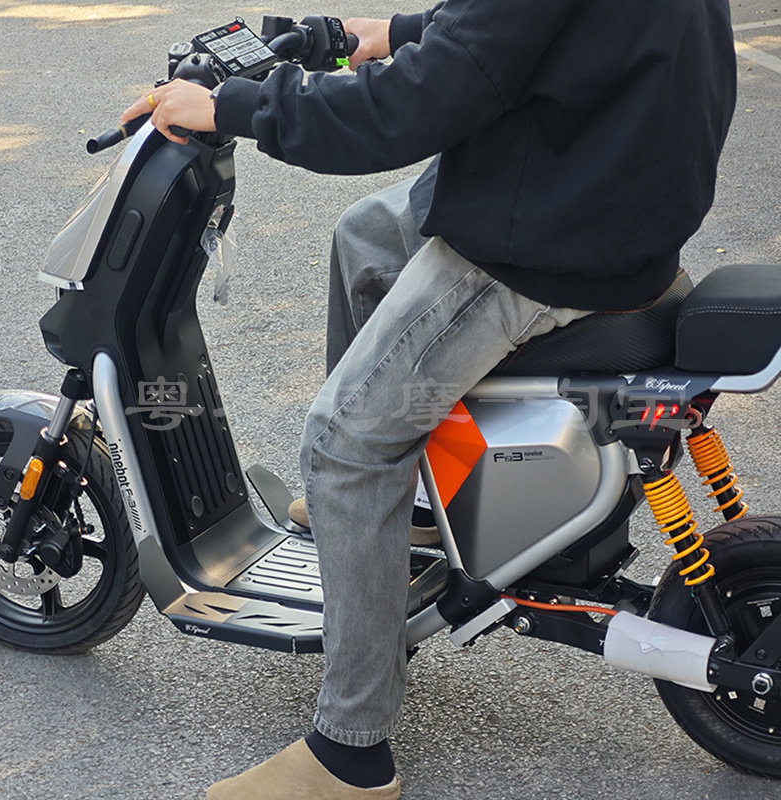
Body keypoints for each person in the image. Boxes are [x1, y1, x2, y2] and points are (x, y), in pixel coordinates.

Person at [122, 2, 736, 798]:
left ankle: (350, 754)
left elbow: (413, 107)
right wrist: (385, 34)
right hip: (604, 186)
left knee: (344, 444)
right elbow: (520, 34)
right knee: (368, 236)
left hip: (548, 243)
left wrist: (233, 105)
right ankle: (408, 507)